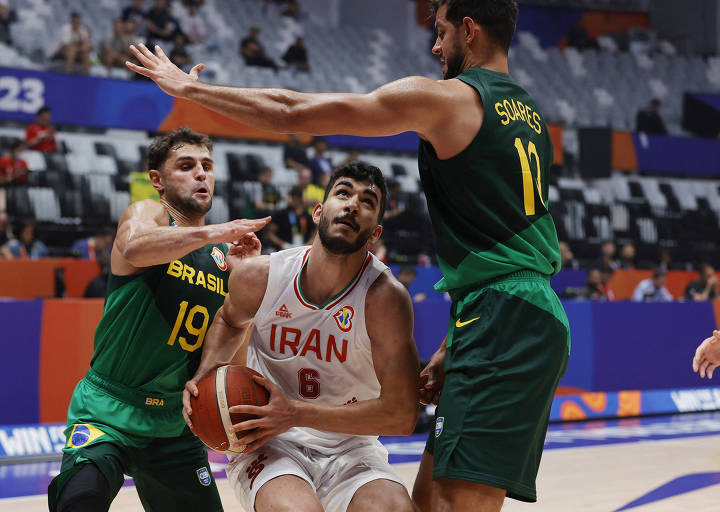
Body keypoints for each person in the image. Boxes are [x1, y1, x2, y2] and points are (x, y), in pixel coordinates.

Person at [127, 0, 570, 507]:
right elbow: (510, 237)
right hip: (502, 311)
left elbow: (292, 111)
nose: (435, 46)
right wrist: (455, 342)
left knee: (450, 506)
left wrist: (191, 89)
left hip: (501, 317)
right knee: (430, 503)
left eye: (442, 31)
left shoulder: (450, 99)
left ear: (468, 30)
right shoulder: (528, 114)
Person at [47, 127, 270, 512]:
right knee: (79, 500)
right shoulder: (150, 214)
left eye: (207, 166)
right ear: (158, 180)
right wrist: (214, 231)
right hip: (109, 407)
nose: (201, 174)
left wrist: (243, 282)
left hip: (174, 422)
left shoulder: (223, 257)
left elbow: (230, 362)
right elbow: (133, 246)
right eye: (186, 166)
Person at [182, 162, 419, 512]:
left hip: (352, 448)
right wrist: (206, 373)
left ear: (375, 233)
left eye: (367, 201)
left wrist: (294, 412)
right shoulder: (261, 276)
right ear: (319, 211)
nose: (352, 204)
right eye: (343, 192)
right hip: (271, 441)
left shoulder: (385, 300)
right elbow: (229, 321)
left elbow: (401, 416)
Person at [263, 185, 313, 252]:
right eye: (293, 197)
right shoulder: (282, 214)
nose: (294, 200)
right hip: (284, 249)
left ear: (300, 199)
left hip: (302, 250)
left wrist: (307, 245)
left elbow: (315, 234)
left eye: (296, 198)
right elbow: (269, 234)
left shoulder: (307, 216)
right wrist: (282, 244)